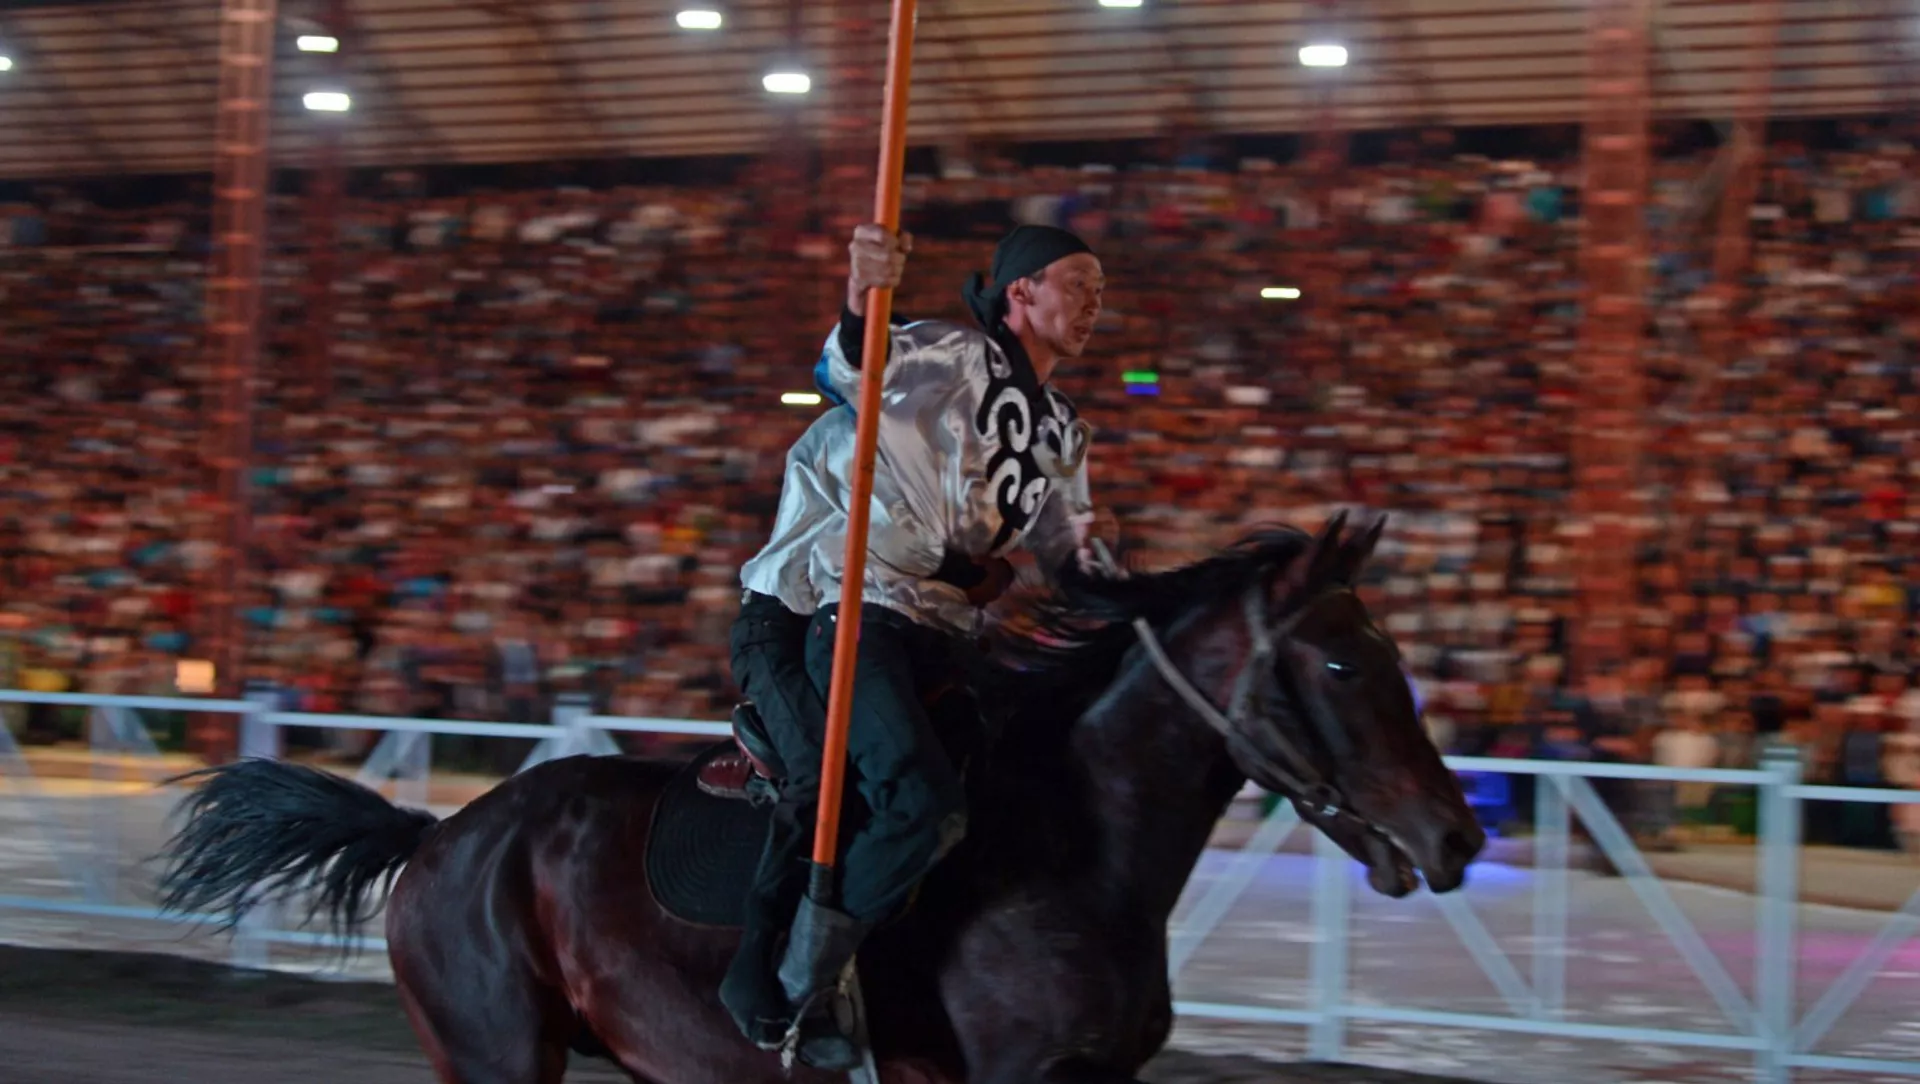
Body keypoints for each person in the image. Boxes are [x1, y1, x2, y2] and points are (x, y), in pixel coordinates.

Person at [721, 222, 1108, 1067]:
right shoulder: (942, 365)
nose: (1094, 304)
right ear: (1021, 291)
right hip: (813, 611)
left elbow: (1072, 556)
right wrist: (864, 293)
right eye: (1079, 284)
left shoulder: (1060, 430)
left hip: (935, 627)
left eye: (1100, 291)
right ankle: (777, 975)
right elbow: (855, 361)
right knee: (835, 779)